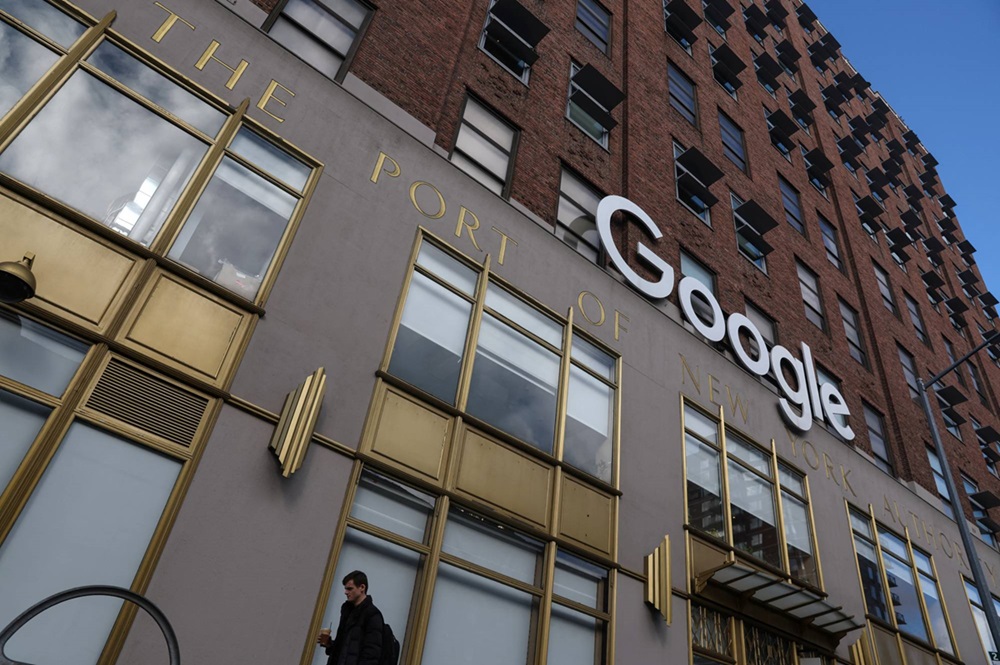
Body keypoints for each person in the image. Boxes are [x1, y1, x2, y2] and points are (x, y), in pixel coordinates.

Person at [317, 570, 384, 665]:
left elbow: (371, 654)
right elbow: (345, 646)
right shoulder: (347, 611)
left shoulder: (373, 614)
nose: (345, 592)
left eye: (349, 589)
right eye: (345, 589)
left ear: (362, 587)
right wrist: (330, 644)